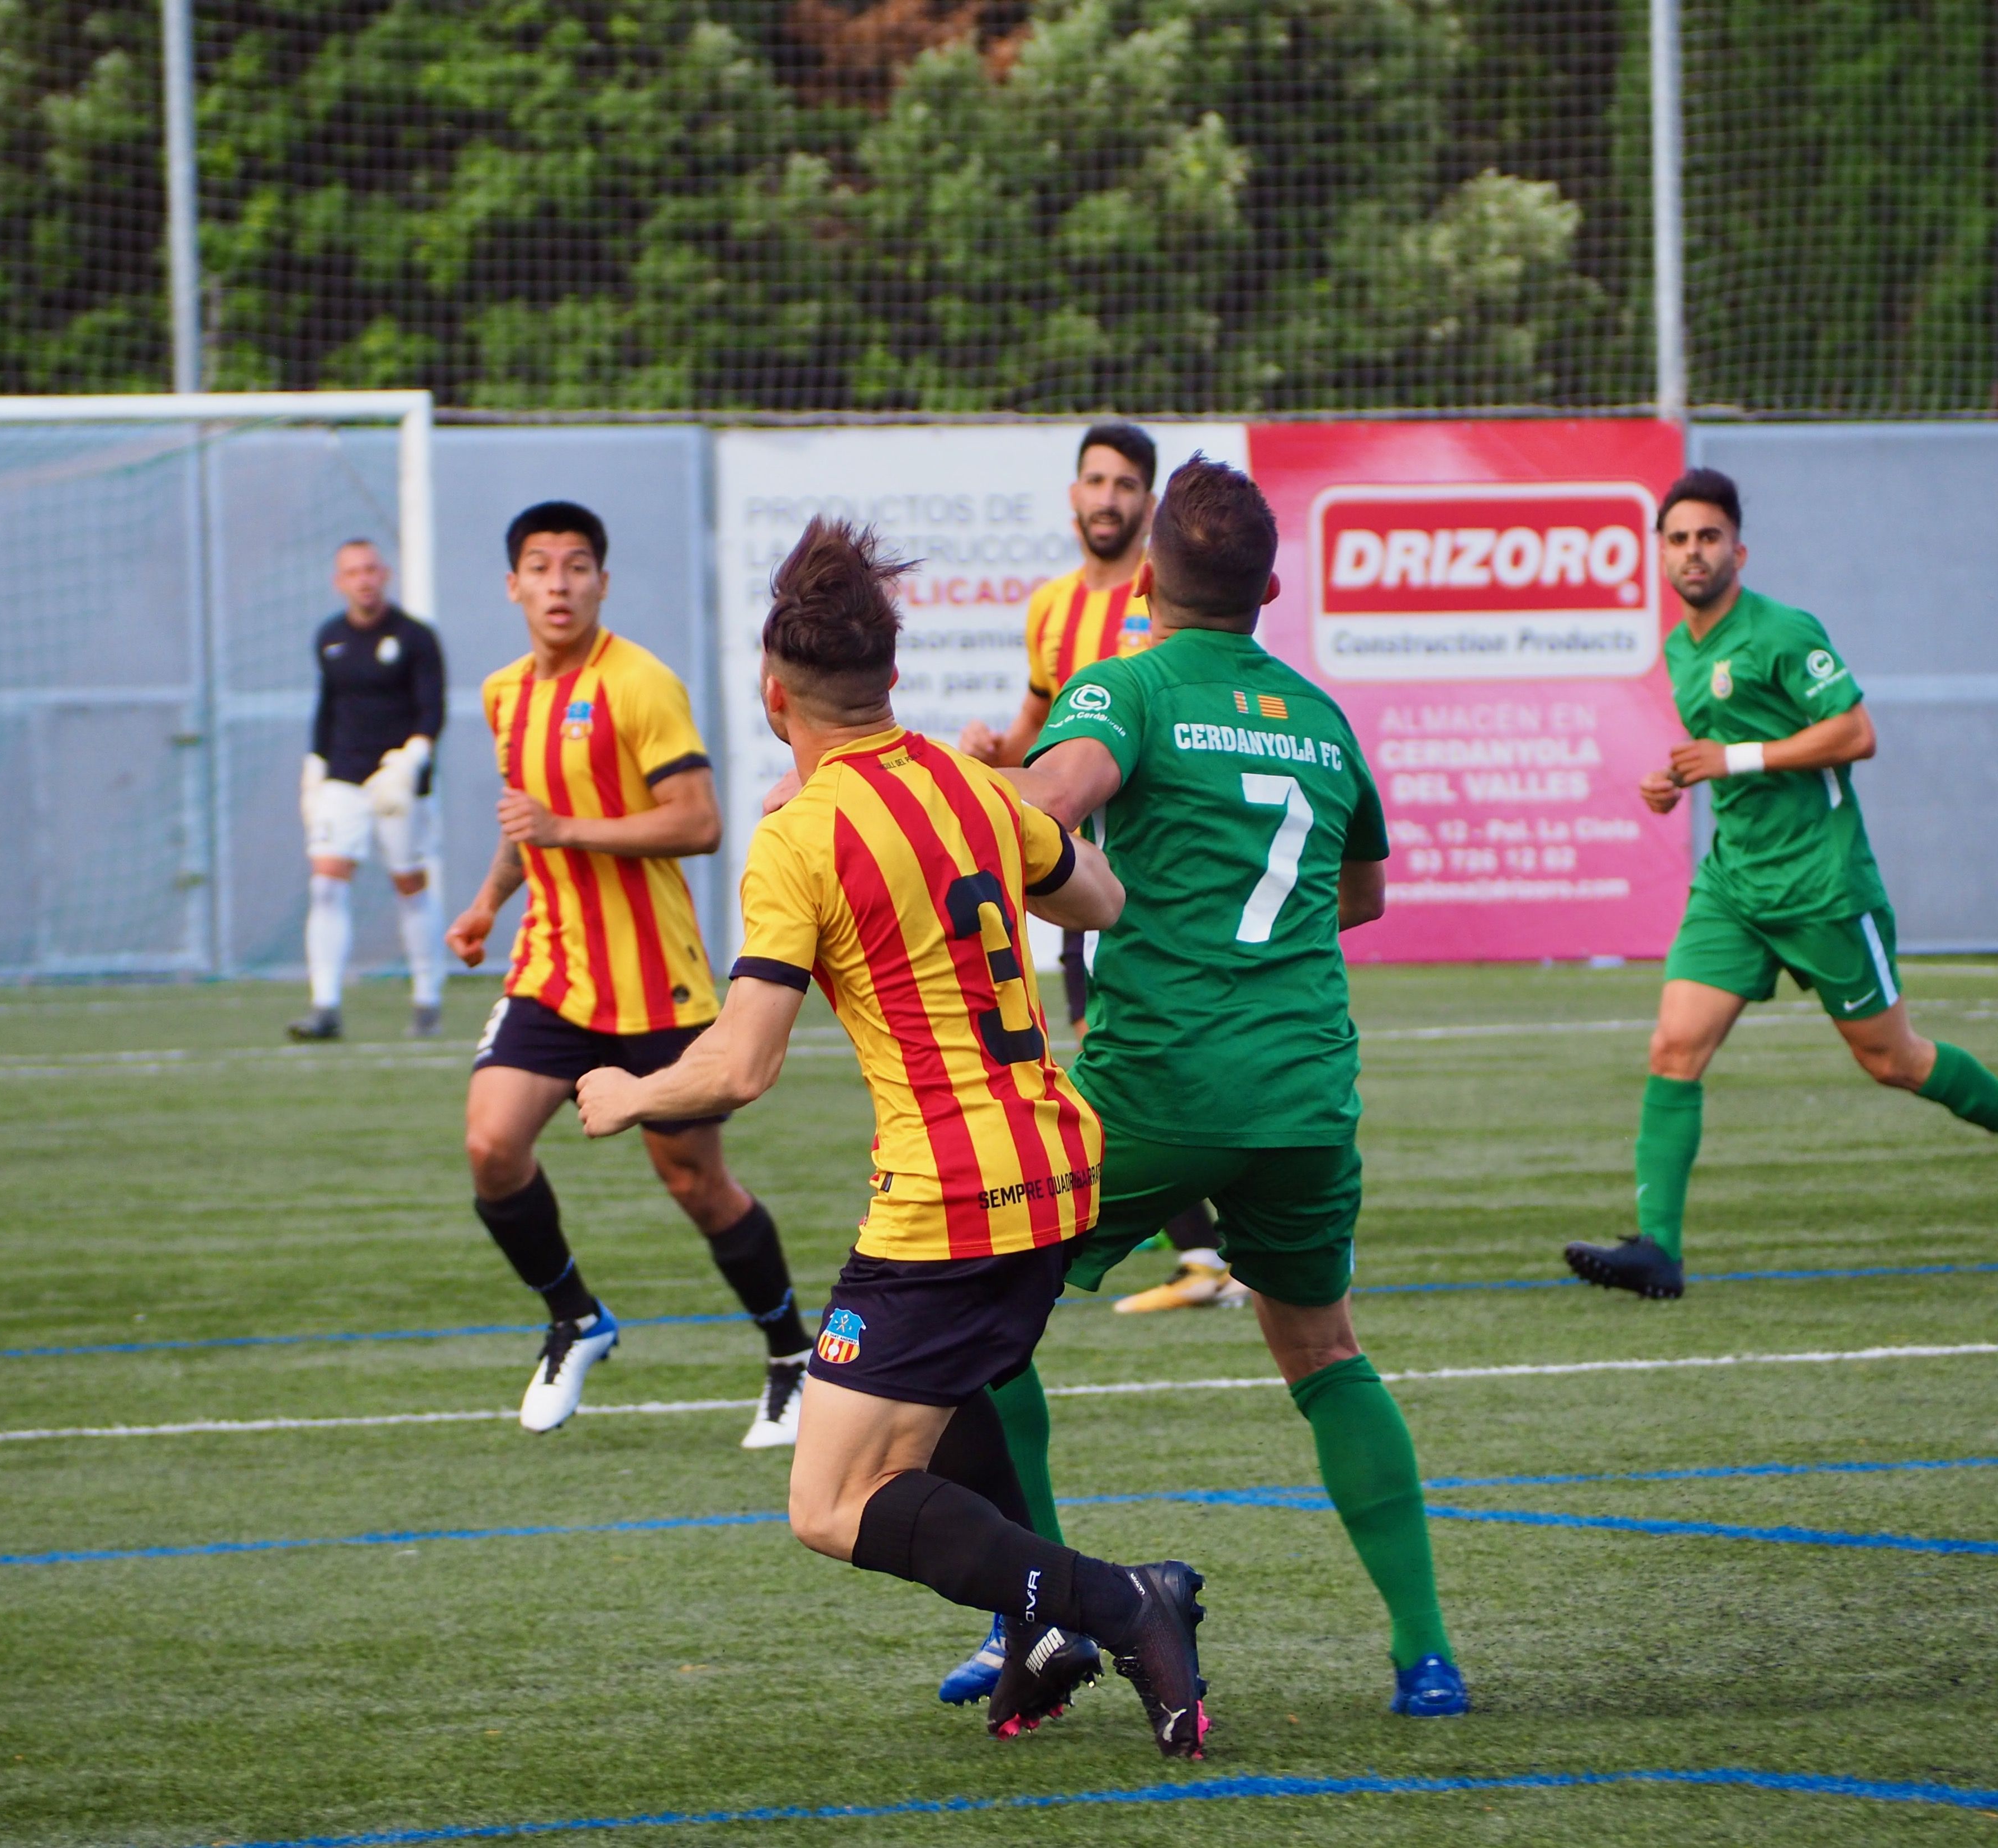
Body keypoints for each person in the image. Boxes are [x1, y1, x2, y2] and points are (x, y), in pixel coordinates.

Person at [574, 517, 1211, 1759]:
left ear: (772, 695)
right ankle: (1038, 1640)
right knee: (941, 1404)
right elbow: (1101, 896)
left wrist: (627, 1091)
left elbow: (742, 1064)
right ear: (894, 680)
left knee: (831, 1502)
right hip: (1057, 1161)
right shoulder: (974, 786)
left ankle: (1121, 1601)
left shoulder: (801, 835)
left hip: (950, 1192)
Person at [988, 455, 1472, 1722]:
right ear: (1268, 588)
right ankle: (1426, 1654)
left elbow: (1047, 810)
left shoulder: (1127, 684)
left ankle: (1037, 1621)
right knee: (1325, 1348)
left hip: (1151, 1086)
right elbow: (1360, 891)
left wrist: (980, 791)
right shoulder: (1319, 714)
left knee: (987, 1326)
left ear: (1145, 582)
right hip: (1305, 1089)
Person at [1563, 468, 1998, 1301]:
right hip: (1734, 886)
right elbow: (1730, 745)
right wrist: (1679, 779)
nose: (1692, 553)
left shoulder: (1780, 631)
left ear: (1738, 549)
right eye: (1676, 540)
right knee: (1673, 1049)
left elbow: (1855, 731)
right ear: (1658, 555)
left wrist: (1730, 759)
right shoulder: (1678, 648)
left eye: (1707, 538)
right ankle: (1657, 1251)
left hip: (1821, 884)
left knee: (1893, 1061)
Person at [445, 502, 813, 1448]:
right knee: (492, 1144)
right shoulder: (502, 693)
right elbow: (531, 822)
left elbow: (698, 822)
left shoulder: (641, 684)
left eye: (576, 566)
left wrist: (564, 832)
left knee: (695, 1180)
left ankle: (789, 1355)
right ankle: (574, 1315)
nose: (558, 583)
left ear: (602, 582)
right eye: (540, 565)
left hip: (660, 985)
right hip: (553, 971)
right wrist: (491, 900)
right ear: (513, 585)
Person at [959, 422, 1234, 1322]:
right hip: (1080, 873)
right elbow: (1035, 730)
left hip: (1156, 867)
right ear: (1073, 496)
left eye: (1125, 485)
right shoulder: (1049, 610)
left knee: (1129, 1057)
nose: (1108, 499)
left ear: (1147, 504)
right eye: (1095, 482)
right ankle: (1207, 1248)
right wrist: (989, 751)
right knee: (1106, 1053)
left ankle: (1211, 1244)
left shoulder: (1163, 610)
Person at [291, 538, 448, 1040]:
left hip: (400, 782)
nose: (363, 579)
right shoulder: (330, 638)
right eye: (352, 572)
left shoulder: (416, 637)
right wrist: (315, 768)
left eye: (370, 569)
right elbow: (328, 707)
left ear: (386, 574)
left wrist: (411, 761)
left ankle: (427, 998)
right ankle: (325, 1006)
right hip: (344, 777)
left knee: (409, 884)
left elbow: (432, 709)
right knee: (327, 883)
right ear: (340, 582)